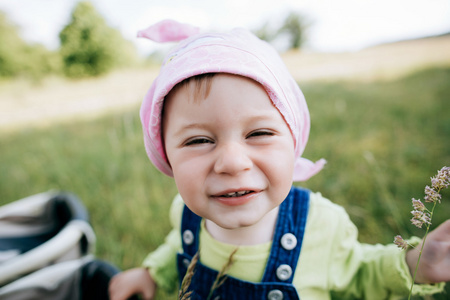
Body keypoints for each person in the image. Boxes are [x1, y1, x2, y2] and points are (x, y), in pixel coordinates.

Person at [109, 19, 450, 300]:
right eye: (198, 140)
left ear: (294, 141)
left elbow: (362, 273)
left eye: (258, 134)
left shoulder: (322, 223)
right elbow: (177, 250)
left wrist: (414, 264)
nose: (231, 162)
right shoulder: (185, 214)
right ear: (165, 155)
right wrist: (151, 273)